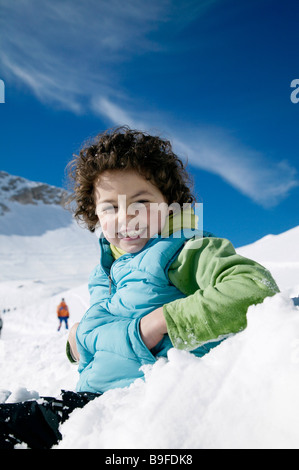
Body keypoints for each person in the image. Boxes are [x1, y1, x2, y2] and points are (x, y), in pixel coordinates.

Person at [0, 126, 279, 448]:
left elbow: (255, 288)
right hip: (94, 408)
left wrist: (165, 321)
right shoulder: (106, 272)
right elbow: (117, 334)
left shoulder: (186, 250)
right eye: (110, 207)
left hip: (152, 405)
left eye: (141, 200)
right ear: (94, 215)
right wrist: (78, 340)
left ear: (170, 205)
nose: (126, 215)